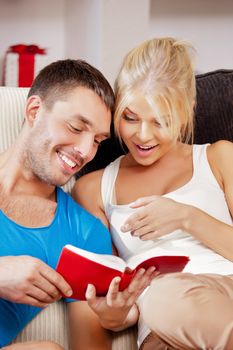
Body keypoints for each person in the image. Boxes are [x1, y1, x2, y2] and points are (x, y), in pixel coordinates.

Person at [73, 37, 233, 350]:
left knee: (164, 297)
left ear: (188, 111)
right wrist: (113, 314)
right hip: (167, 320)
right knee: (161, 297)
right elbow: (117, 300)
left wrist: (187, 218)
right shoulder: (92, 189)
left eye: (161, 121)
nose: (143, 136)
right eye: (130, 118)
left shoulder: (219, 158)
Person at [0, 59, 156, 349]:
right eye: (75, 127)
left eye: (97, 140)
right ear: (34, 111)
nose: (86, 151)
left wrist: (114, 316)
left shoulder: (84, 235)